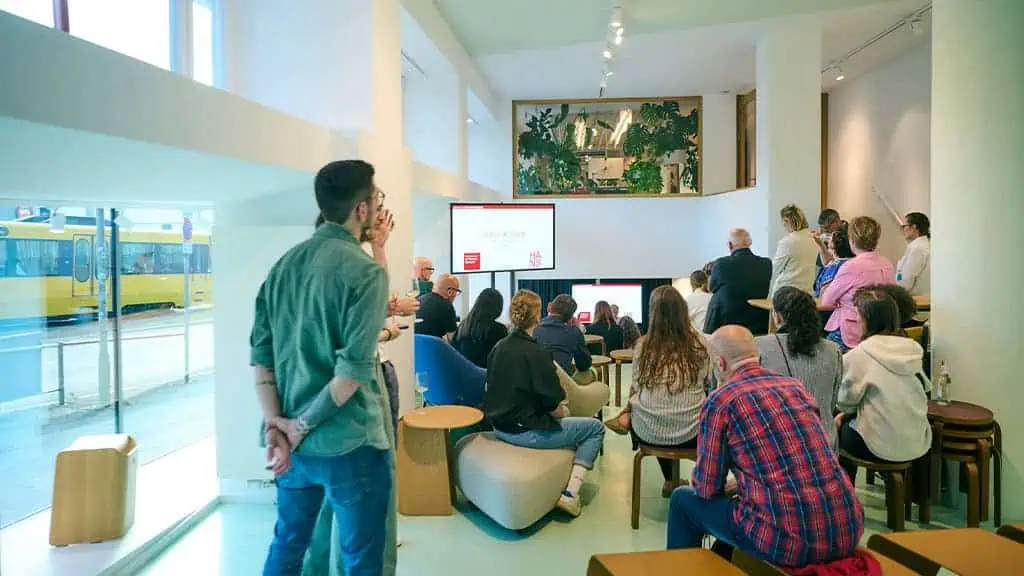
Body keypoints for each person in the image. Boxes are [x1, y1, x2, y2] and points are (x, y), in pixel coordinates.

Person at [252, 160, 393, 575]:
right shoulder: (366, 272)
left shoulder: (282, 266)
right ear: (362, 209)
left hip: (292, 450)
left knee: (287, 546)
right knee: (360, 560)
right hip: (350, 443)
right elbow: (350, 376)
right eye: (376, 198)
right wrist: (300, 426)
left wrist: (276, 425)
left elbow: (261, 358)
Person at [667, 326, 862, 568]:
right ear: (756, 355)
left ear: (720, 363)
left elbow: (706, 487)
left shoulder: (720, 402)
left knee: (682, 501)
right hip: (848, 528)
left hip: (786, 541)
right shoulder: (795, 388)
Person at [484, 289, 606, 517]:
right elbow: (552, 403)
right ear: (538, 315)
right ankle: (571, 493)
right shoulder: (537, 352)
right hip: (526, 431)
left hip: (499, 426)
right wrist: (563, 411)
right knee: (595, 428)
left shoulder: (498, 347)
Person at [604, 286, 714, 497]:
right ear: (683, 310)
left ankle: (670, 480)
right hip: (693, 431)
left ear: (653, 313)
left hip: (648, 431)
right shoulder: (701, 343)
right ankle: (704, 481)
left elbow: (637, 384)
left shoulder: (643, 345)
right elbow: (708, 381)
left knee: (653, 410)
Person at [835, 287, 931, 481]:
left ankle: (846, 493)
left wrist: (842, 416)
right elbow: (926, 388)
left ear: (866, 320)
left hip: (878, 446)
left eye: (858, 316)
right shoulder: (912, 349)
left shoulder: (859, 355)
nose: (855, 320)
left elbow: (844, 402)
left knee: (836, 429)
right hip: (917, 442)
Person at [756, 287, 843, 444]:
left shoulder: (760, 346)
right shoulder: (833, 350)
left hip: (777, 443)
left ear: (777, 316)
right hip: (824, 442)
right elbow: (831, 402)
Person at [822, 216, 895, 352]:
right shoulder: (887, 264)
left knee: (820, 353)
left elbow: (826, 301)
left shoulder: (851, 267)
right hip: (880, 332)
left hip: (852, 332)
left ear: (852, 240)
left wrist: (841, 302)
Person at [703, 228, 772, 335]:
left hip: (729, 320)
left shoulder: (721, 264)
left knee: (717, 296)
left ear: (730, 245)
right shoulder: (766, 263)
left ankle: (709, 336)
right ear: (750, 243)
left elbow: (712, 288)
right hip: (759, 319)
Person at [533, 294, 596, 385]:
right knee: (590, 372)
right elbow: (584, 364)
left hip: (535, 383)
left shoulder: (534, 328)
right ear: (571, 316)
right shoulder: (573, 332)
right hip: (561, 386)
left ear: (550, 308)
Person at [769, 204, 819, 296]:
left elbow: (775, 269)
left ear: (788, 221)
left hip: (786, 292)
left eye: (784, 222)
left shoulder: (787, 242)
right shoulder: (814, 240)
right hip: (806, 292)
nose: (783, 225)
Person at [452, 288, 508, 368]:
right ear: (498, 308)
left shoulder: (463, 326)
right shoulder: (498, 330)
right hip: (486, 373)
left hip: (463, 372)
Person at [415, 274, 460, 340]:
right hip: (433, 345)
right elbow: (453, 339)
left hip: (415, 345)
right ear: (450, 292)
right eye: (457, 291)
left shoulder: (419, 300)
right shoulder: (446, 306)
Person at [896, 212, 931, 296]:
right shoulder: (924, 245)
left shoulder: (917, 248)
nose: (903, 230)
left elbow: (906, 281)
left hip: (917, 297)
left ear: (914, 227)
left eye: (904, 226)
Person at [813, 225, 854, 296]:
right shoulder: (853, 262)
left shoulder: (834, 268)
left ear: (833, 248)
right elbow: (828, 262)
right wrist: (821, 244)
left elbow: (824, 293)